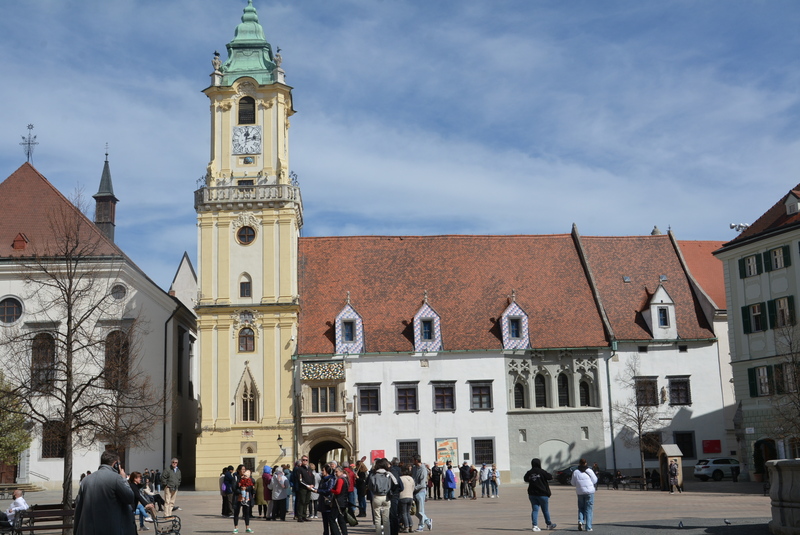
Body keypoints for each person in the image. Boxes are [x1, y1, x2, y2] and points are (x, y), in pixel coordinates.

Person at [74, 450, 135, 535]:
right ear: (116, 464)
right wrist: (124, 479)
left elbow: (78, 509)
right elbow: (130, 498)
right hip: (110, 529)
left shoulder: (86, 480)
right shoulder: (117, 478)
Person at [523, 458, 556, 532]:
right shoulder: (542, 472)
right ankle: (549, 524)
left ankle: (535, 526)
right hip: (542, 494)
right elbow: (550, 477)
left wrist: (532, 479)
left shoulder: (529, 472)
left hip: (532, 494)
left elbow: (525, 479)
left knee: (535, 510)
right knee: (545, 510)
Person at [369, 458, 399, 535]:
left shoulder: (374, 475)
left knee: (377, 518)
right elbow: (396, 484)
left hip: (377, 496)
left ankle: (378, 533)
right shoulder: (388, 474)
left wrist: (374, 490)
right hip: (386, 496)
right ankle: (387, 533)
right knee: (386, 519)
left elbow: (370, 486)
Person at [570, 458, 597, 532]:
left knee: (581, 508)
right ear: (586, 463)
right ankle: (588, 527)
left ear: (579, 463)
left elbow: (572, 483)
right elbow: (595, 480)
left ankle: (580, 521)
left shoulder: (575, 472)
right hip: (589, 492)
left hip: (580, 492)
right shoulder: (589, 471)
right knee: (589, 509)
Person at [316, 464, 340, 535]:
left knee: (331, 520)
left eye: (323, 470)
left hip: (329, 502)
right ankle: (325, 533)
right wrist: (314, 489)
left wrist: (318, 491)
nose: (322, 472)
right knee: (324, 521)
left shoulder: (331, 479)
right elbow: (320, 488)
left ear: (327, 471)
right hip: (322, 501)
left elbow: (329, 490)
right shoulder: (322, 479)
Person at [412, 455, 432, 532]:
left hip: (420, 491)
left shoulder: (423, 469)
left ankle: (421, 526)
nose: (412, 462)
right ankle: (427, 520)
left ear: (416, 460)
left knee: (420, 510)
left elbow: (422, 484)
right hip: (414, 491)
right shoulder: (414, 468)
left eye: (413, 460)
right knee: (416, 512)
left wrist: (414, 488)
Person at [232, 465, 254, 533]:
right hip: (238, 497)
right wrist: (241, 491)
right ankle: (236, 527)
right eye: (242, 469)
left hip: (246, 497)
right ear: (238, 470)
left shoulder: (248, 477)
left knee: (246, 513)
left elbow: (251, 486)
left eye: (244, 469)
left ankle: (247, 527)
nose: (243, 471)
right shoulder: (235, 477)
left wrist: (246, 488)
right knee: (236, 512)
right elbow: (234, 488)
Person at [294, 454, 316, 522]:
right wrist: (307, 485)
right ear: (301, 461)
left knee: (306, 502)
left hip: (309, 488)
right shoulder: (300, 469)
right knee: (302, 502)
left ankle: (304, 516)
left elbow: (312, 477)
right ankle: (299, 516)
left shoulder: (309, 469)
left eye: (306, 460)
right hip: (303, 488)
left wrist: (313, 484)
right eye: (303, 460)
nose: (305, 461)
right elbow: (300, 480)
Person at [398, 466, 415, 533]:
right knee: (408, 512)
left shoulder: (400, 478)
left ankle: (406, 527)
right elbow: (413, 488)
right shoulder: (411, 478)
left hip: (403, 497)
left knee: (403, 513)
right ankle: (411, 525)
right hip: (410, 496)